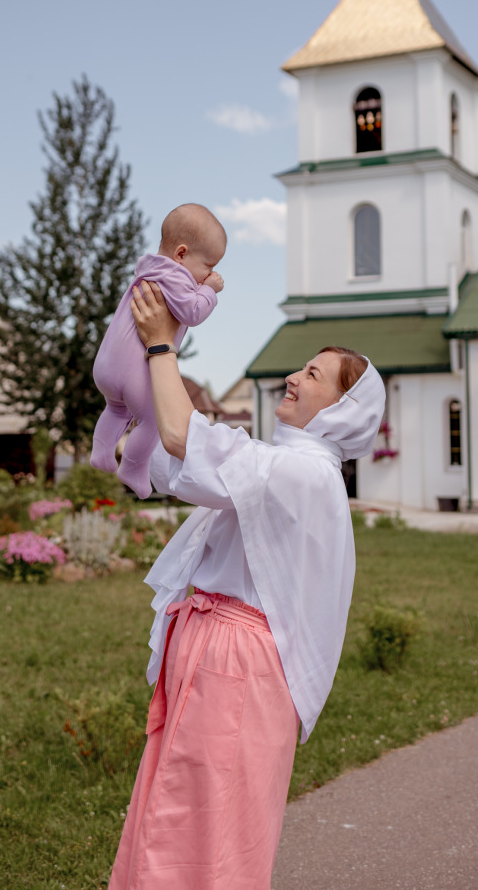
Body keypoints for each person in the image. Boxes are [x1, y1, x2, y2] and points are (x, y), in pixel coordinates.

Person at [107, 279, 385, 890]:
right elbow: (188, 464)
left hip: (234, 662)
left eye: (313, 375)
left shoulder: (302, 473)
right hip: (218, 655)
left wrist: (160, 348)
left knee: (203, 829)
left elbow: (188, 442)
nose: (293, 377)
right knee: (184, 814)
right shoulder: (285, 467)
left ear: (340, 408)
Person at [90, 203, 226, 498]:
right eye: (209, 265)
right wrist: (209, 291)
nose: (210, 273)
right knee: (152, 419)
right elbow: (192, 312)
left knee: (115, 409)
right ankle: (133, 467)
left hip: (105, 367)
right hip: (133, 373)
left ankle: (101, 454)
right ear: (181, 254)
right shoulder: (176, 276)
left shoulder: (148, 269)